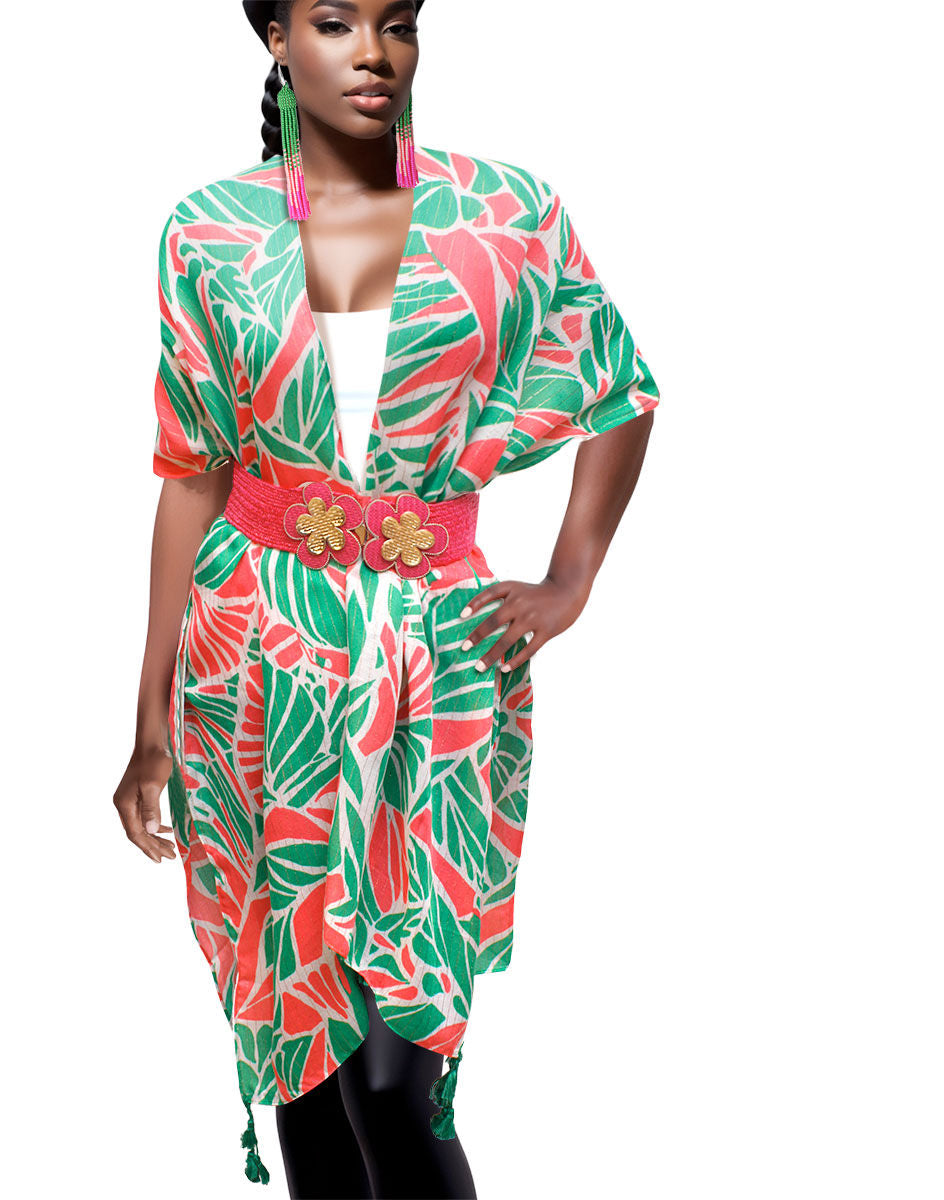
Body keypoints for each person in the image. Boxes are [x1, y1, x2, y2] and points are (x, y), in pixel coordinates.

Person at [113, 1, 661, 1193]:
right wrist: (150, 719)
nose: (373, 52)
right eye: (333, 21)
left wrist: (568, 583)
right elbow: (192, 471)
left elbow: (619, 390)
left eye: (397, 23)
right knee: (302, 1052)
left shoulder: (506, 211)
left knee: (392, 1073)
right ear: (276, 40)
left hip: (437, 664)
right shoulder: (208, 230)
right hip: (256, 661)